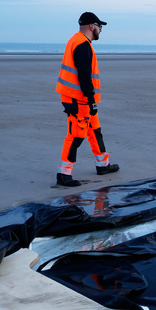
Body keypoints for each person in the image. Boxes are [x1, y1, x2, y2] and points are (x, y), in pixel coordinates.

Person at [55, 12, 120, 187]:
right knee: (76, 135)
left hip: (79, 98)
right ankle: (64, 174)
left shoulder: (78, 41)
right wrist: (91, 100)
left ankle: (103, 165)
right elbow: (84, 76)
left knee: (94, 130)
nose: (100, 30)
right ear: (92, 27)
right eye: (100, 27)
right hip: (78, 99)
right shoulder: (82, 45)